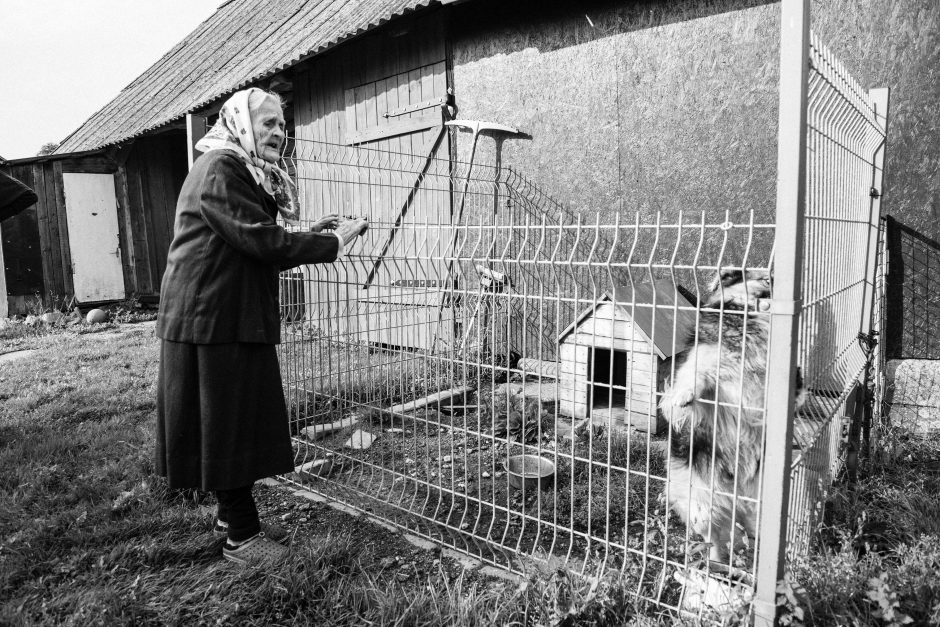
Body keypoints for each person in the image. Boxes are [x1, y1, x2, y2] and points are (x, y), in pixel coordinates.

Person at [155, 87, 367, 566]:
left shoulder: (239, 169)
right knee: (229, 424)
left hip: (222, 312)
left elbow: (254, 234)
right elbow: (261, 241)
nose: (279, 132)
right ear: (241, 125)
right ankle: (242, 538)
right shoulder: (220, 169)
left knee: (231, 420)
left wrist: (312, 233)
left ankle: (233, 519)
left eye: (281, 123)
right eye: (267, 123)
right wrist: (331, 243)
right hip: (211, 317)